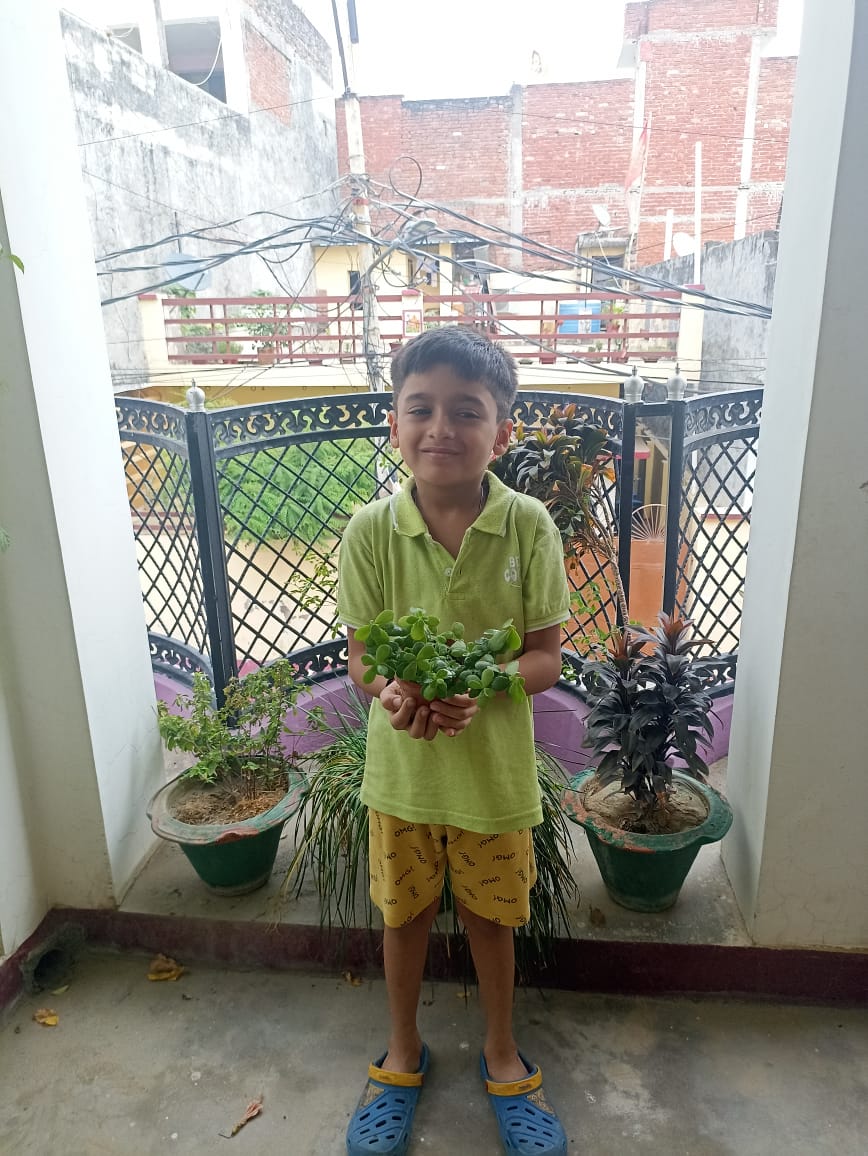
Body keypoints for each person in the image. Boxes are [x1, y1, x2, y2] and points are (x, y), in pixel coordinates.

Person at [337, 326, 570, 1156]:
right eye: (421, 408)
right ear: (393, 423)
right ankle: (403, 1050)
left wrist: (487, 684)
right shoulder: (369, 531)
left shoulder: (529, 526)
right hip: (401, 778)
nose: (441, 428)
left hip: (493, 781)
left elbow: (545, 655)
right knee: (403, 918)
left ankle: (502, 1053)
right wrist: (392, 691)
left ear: (501, 433)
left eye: (467, 411)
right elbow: (363, 660)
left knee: (491, 920)